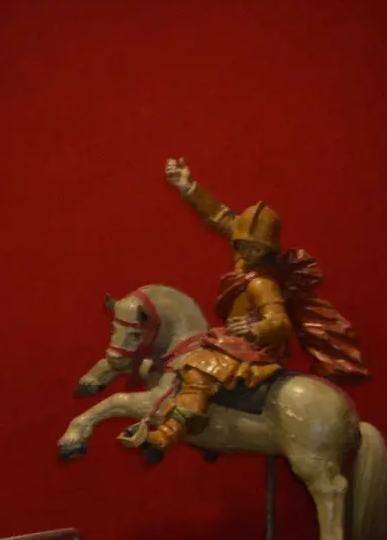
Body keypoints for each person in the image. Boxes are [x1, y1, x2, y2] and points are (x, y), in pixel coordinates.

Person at [137, 158, 370, 461]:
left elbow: (281, 323)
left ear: (268, 251)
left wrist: (254, 329)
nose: (248, 254)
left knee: (200, 368)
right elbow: (218, 216)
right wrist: (188, 187)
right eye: (244, 246)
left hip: (255, 347)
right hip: (233, 339)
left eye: (256, 250)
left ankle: (171, 434)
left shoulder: (262, 282)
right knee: (185, 350)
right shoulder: (244, 251)